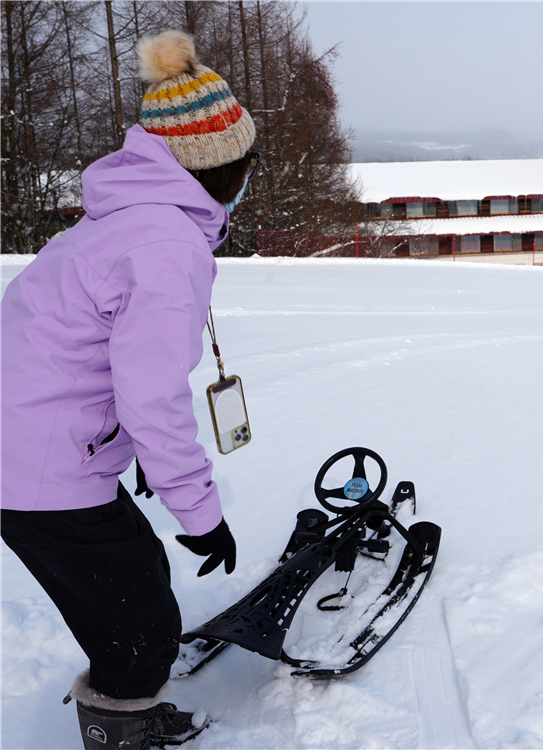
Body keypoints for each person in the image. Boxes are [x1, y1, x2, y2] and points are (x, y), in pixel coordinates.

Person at [1, 30, 257, 750]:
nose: (250, 175)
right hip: (43, 466)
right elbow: (152, 394)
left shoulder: (130, 221)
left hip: (34, 448)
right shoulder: (166, 245)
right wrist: (201, 512)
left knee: (134, 580)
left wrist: (134, 443)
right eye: (248, 161)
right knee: (139, 631)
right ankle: (124, 731)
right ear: (215, 168)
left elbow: (96, 352)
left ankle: (129, 711)